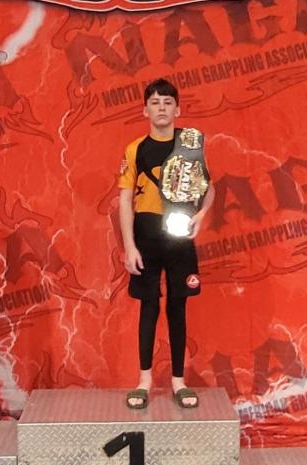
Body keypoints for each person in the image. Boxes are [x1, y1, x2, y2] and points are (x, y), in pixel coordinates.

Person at [118, 78, 215, 409]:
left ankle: (178, 381)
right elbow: (124, 200)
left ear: (178, 109)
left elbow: (209, 187)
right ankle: (144, 381)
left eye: (167, 102)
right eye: (155, 102)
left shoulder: (190, 145)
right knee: (148, 306)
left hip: (179, 236)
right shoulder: (135, 149)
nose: (161, 108)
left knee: (178, 305)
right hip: (146, 234)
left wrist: (201, 216)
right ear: (145, 110)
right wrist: (129, 246)